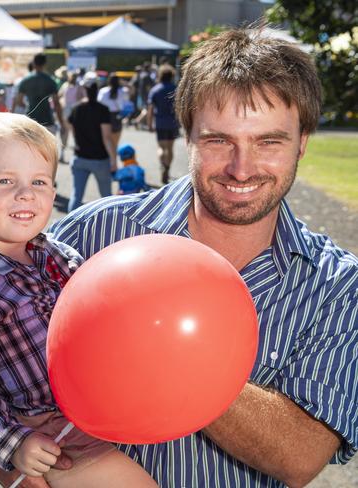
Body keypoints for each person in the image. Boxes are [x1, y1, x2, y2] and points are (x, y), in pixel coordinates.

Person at [47, 27, 358, 487]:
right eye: (219, 140)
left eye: (269, 141)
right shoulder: (91, 232)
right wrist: (10, 465)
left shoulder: (336, 284)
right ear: (187, 134)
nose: (242, 167)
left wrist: (160, 346)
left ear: (303, 142)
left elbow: (302, 453)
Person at [0, 112, 157, 488]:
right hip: (52, 433)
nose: (26, 193)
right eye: (5, 181)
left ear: (54, 193)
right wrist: (13, 443)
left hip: (100, 405)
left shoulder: (57, 255)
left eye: (39, 181)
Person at [66, 77, 116, 212]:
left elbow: (69, 124)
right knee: (107, 198)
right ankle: (110, 227)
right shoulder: (103, 109)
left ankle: (69, 227)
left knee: (76, 196)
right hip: (99, 159)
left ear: (84, 91)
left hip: (80, 157)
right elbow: (107, 137)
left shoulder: (76, 108)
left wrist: (77, 138)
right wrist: (113, 160)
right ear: (97, 91)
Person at [12, 54, 63, 135]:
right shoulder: (50, 80)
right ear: (44, 64)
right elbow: (56, 103)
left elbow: (19, 101)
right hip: (47, 120)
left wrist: (28, 106)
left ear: (33, 63)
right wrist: (61, 123)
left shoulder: (25, 80)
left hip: (30, 120)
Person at [147, 64, 180, 184]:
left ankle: (163, 165)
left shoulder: (155, 90)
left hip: (160, 122)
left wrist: (149, 124)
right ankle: (168, 167)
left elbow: (150, 109)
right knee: (170, 148)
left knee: (161, 147)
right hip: (172, 123)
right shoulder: (176, 88)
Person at [57, 72, 86, 163]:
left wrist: (77, 104)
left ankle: (77, 154)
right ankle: (62, 154)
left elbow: (84, 98)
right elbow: (59, 96)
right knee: (65, 133)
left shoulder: (79, 87)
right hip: (66, 111)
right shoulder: (65, 86)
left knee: (75, 133)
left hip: (75, 112)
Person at [97, 74, 129, 150]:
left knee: (105, 141)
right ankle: (113, 159)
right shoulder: (123, 91)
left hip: (105, 116)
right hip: (117, 116)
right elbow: (129, 96)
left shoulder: (103, 91)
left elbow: (99, 103)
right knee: (115, 144)